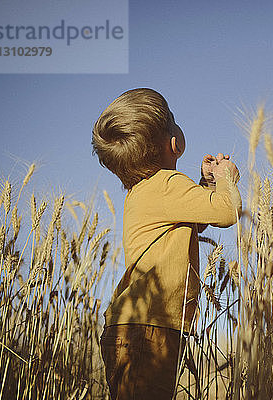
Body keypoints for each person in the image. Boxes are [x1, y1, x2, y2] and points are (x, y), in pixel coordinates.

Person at [91, 88, 241, 399]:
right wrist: (227, 177)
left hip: (132, 325)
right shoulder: (168, 184)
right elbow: (227, 211)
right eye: (172, 119)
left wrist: (206, 185)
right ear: (174, 143)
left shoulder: (142, 192)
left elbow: (195, 219)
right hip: (151, 328)